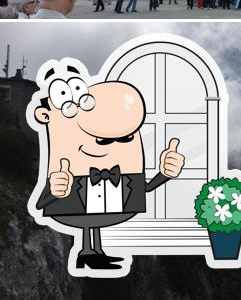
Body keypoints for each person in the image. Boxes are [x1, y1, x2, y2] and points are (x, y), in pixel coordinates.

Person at [31, 64, 184, 270]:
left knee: (93, 220)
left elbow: (144, 188)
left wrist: (165, 173)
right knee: (87, 219)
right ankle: (86, 252)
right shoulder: (67, 170)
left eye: (126, 138)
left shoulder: (124, 175)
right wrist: (55, 190)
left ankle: (93, 253)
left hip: (106, 204)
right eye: (102, 139)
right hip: (77, 201)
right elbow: (41, 204)